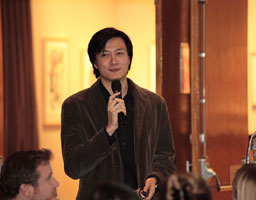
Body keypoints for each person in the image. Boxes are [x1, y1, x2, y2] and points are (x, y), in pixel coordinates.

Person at [61, 27, 176, 200]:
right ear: (95, 63)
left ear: (129, 59)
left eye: (120, 53)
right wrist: (108, 131)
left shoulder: (154, 104)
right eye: (105, 55)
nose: (114, 61)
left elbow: (165, 157)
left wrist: (156, 177)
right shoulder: (75, 106)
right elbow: (73, 167)